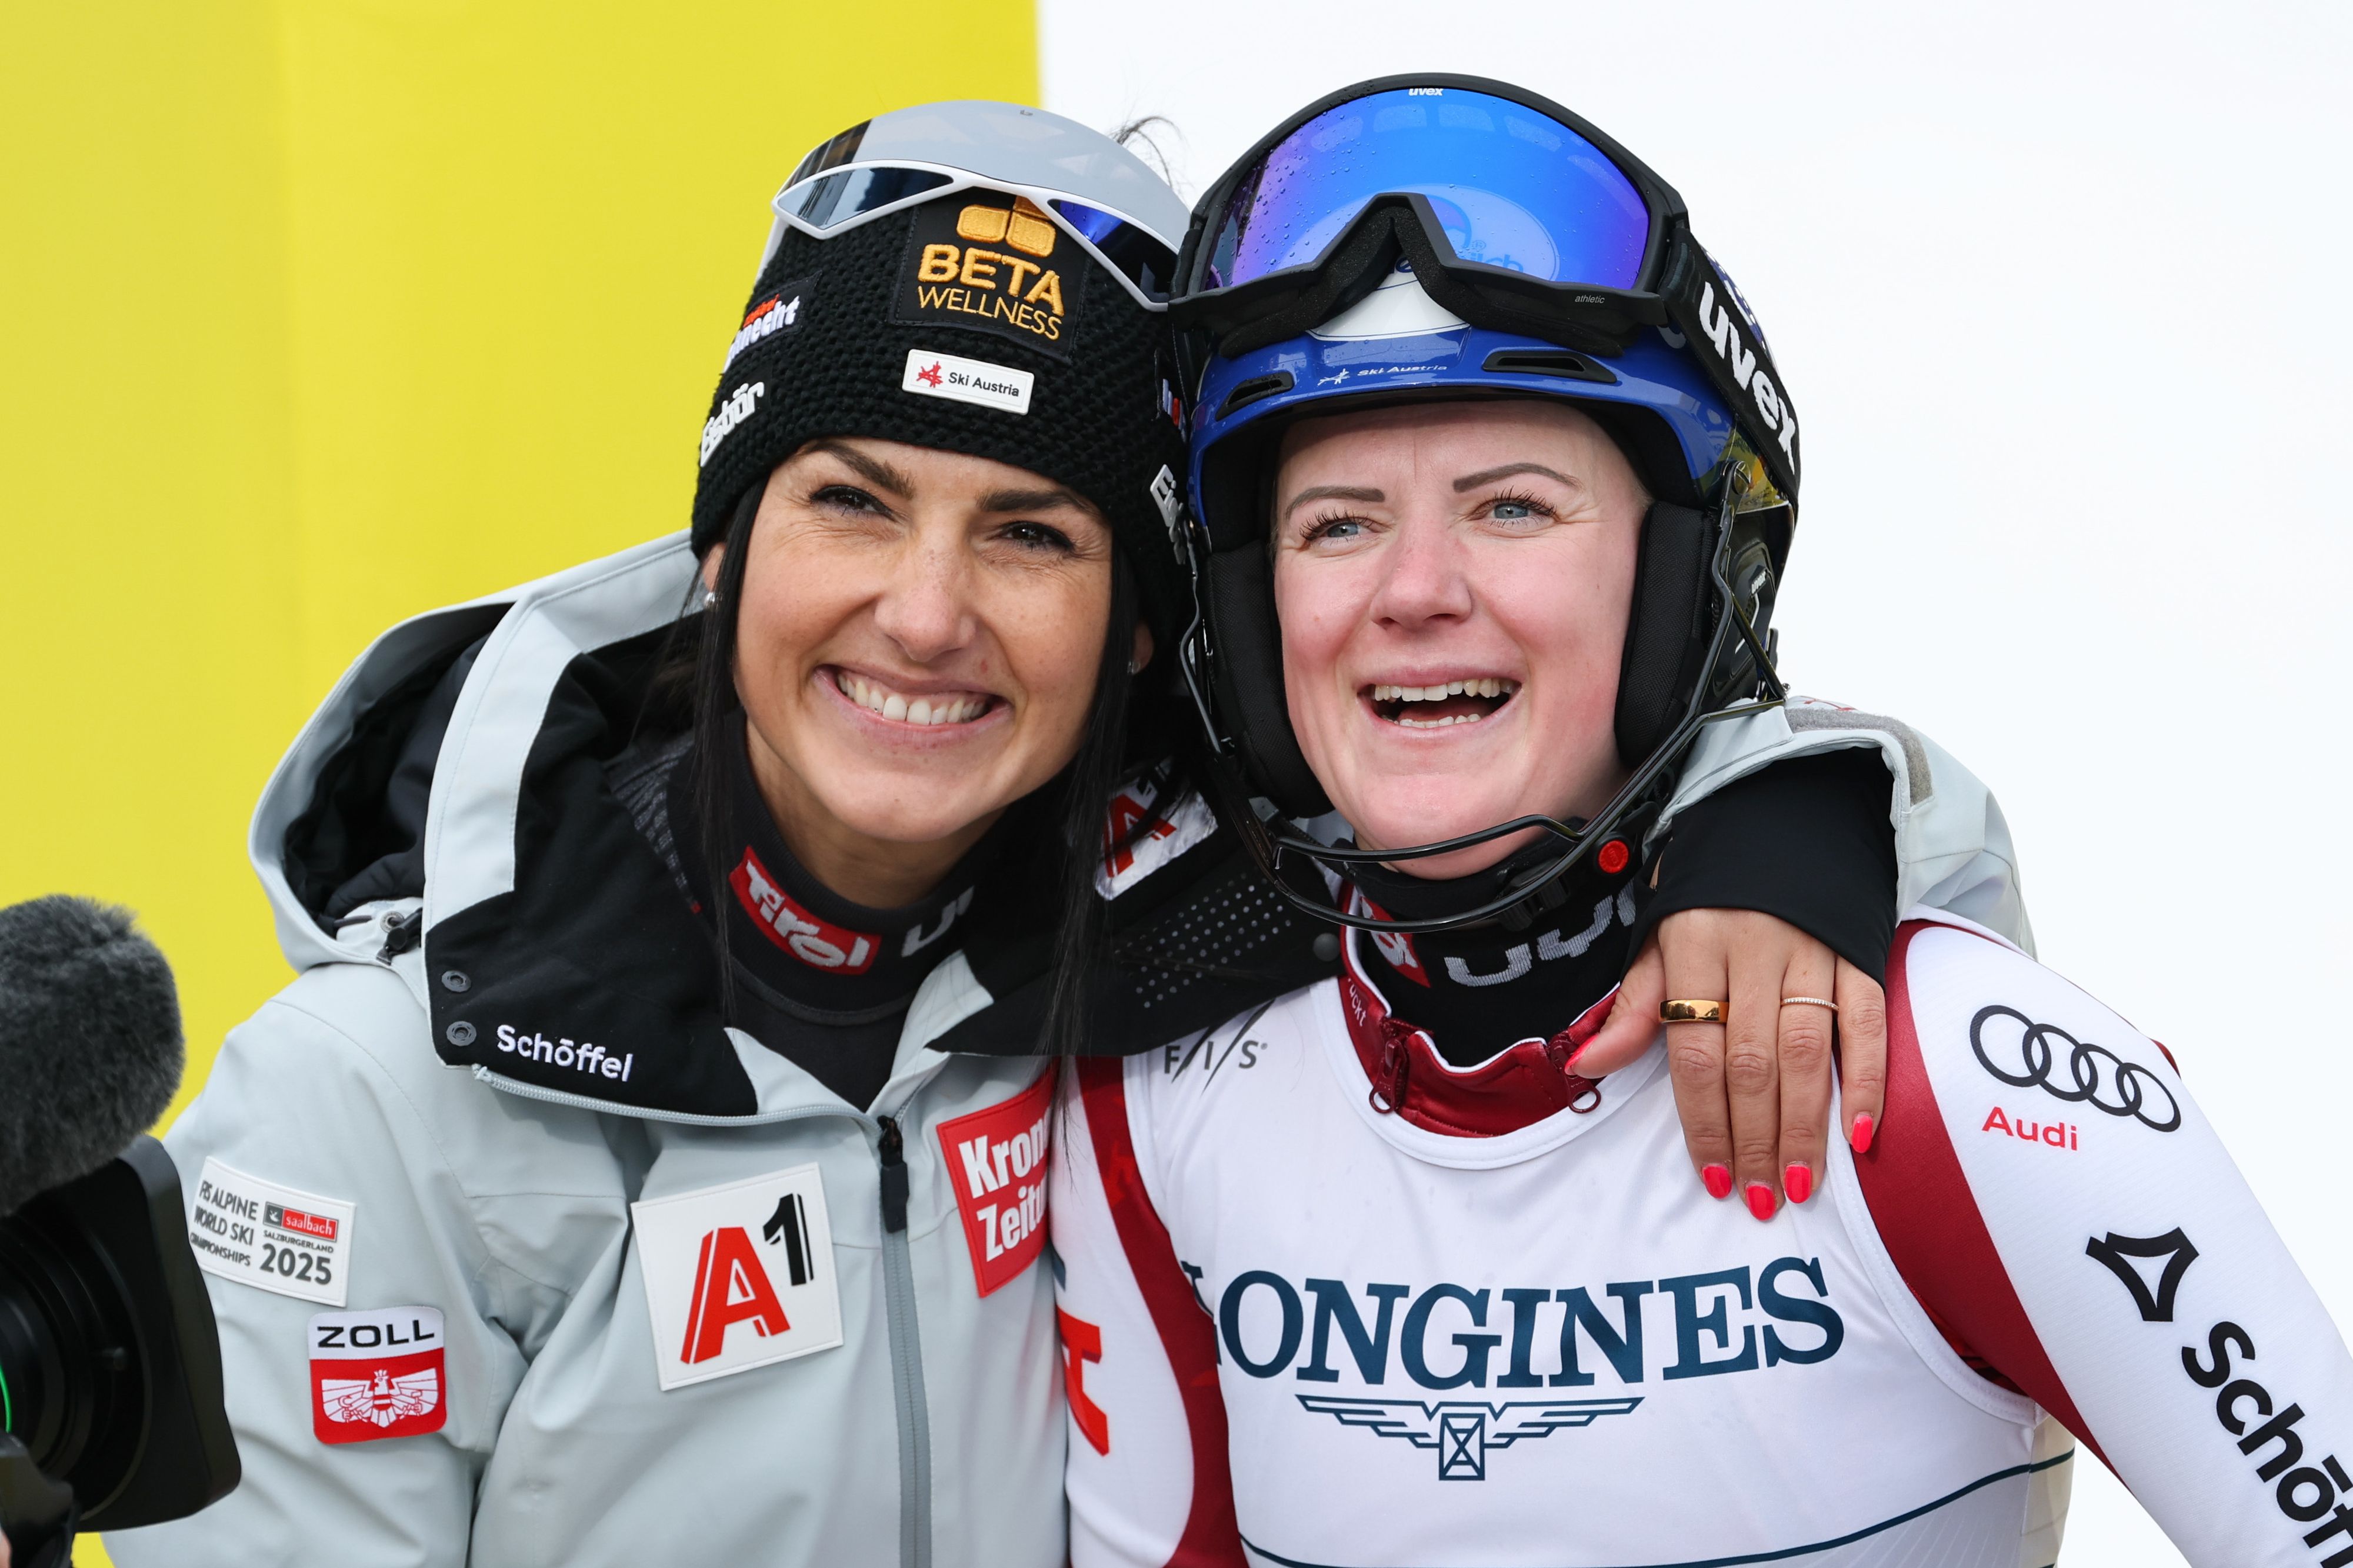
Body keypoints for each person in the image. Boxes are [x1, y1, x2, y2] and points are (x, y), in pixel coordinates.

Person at [109, 101, 1991, 1568]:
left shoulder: (1193, 919)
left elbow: (1601, 765)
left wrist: (1796, 821)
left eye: (1032, 533)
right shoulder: (373, 1101)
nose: (926, 616)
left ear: (1145, 631)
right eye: (852, 501)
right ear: (720, 555)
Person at [1053, 75, 2353, 1568]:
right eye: (1334, 522)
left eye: (1514, 506)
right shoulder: (1154, 1101)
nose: (1411, 590)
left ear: (1678, 588)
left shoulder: (1948, 1086)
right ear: (1247, 606)